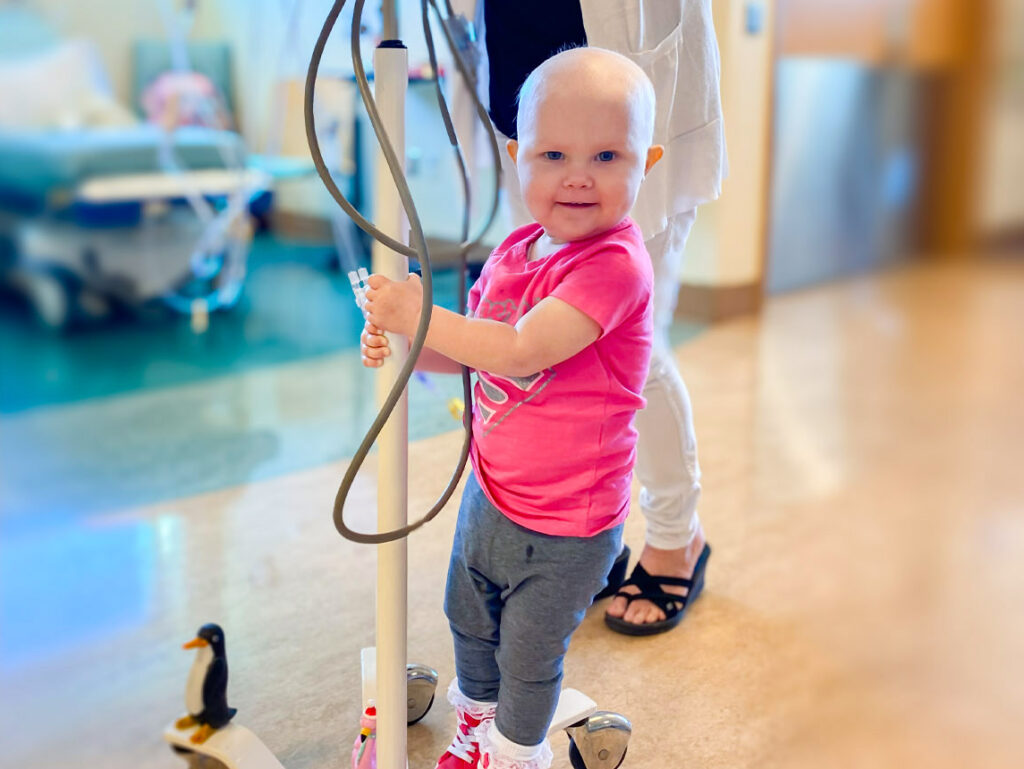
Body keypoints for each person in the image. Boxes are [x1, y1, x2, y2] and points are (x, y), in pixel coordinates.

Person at [361, 47, 660, 769]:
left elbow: (522, 349)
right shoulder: (516, 251)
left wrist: (419, 314)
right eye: (553, 154)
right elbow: (476, 352)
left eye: (607, 156)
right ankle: (477, 730)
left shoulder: (615, 266)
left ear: (646, 163)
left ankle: (518, 755)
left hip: (569, 523)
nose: (578, 176)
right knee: (469, 621)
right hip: (492, 494)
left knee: (527, 655)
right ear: (515, 155)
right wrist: (407, 343)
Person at [470, 0, 724, 635]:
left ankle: (675, 537)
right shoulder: (533, 155)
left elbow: (518, 351)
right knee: (548, 328)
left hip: (624, 67)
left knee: (633, 346)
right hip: (522, 63)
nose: (576, 179)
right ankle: (583, 537)